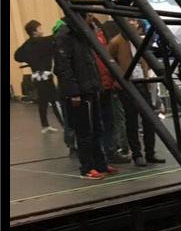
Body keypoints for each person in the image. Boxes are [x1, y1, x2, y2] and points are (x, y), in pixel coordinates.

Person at [52, 16, 117, 179]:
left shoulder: (82, 34)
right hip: (79, 92)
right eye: (87, 16)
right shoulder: (64, 37)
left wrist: (97, 85)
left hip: (90, 89)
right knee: (84, 132)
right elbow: (63, 67)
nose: (90, 19)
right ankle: (87, 167)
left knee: (97, 129)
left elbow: (90, 63)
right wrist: (74, 92)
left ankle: (100, 164)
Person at [108, 19, 165, 167]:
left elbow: (145, 58)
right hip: (127, 85)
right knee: (132, 120)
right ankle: (137, 154)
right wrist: (117, 81)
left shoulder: (139, 40)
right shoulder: (116, 42)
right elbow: (110, 63)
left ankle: (150, 153)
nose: (133, 24)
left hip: (142, 83)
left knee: (149, 119)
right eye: (129, 21)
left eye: (134, 22)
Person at [85, 14, 129, 165]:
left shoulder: (100, 36)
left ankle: (109, 152)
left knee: (108, 120)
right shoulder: (87, 38)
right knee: (99, 122)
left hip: (105, 84)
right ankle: (102, 154)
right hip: (95, 85)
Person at [14, 19, 66, 135]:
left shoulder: (27, 44)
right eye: (40, 28)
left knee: (43, 101)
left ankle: (45, 126)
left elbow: (17, 56)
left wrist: (30, 59)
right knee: (55, 100)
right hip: (45, 77)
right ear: (34, 31)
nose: (41, 30)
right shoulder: (43, 42)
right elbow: (57, 36)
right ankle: (65, 125)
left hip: (36, 76)